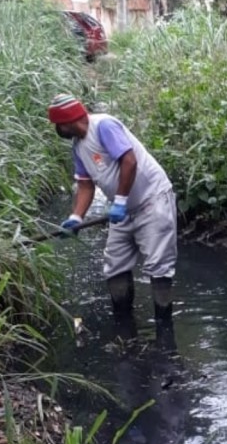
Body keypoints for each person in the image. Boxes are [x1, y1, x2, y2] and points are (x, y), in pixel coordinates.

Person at [47, 94, 178, 319]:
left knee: (159, 266)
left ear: (66, 121)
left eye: (58, 125)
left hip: (152, 200)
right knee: (115, 264)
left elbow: (129, 161)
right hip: (123, 209)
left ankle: (164, 331)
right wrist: (76, 217)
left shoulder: (103, 126)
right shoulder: (78, 147)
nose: (57, 130)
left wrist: (119, 202)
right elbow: (85, 184)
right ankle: (123, 326)